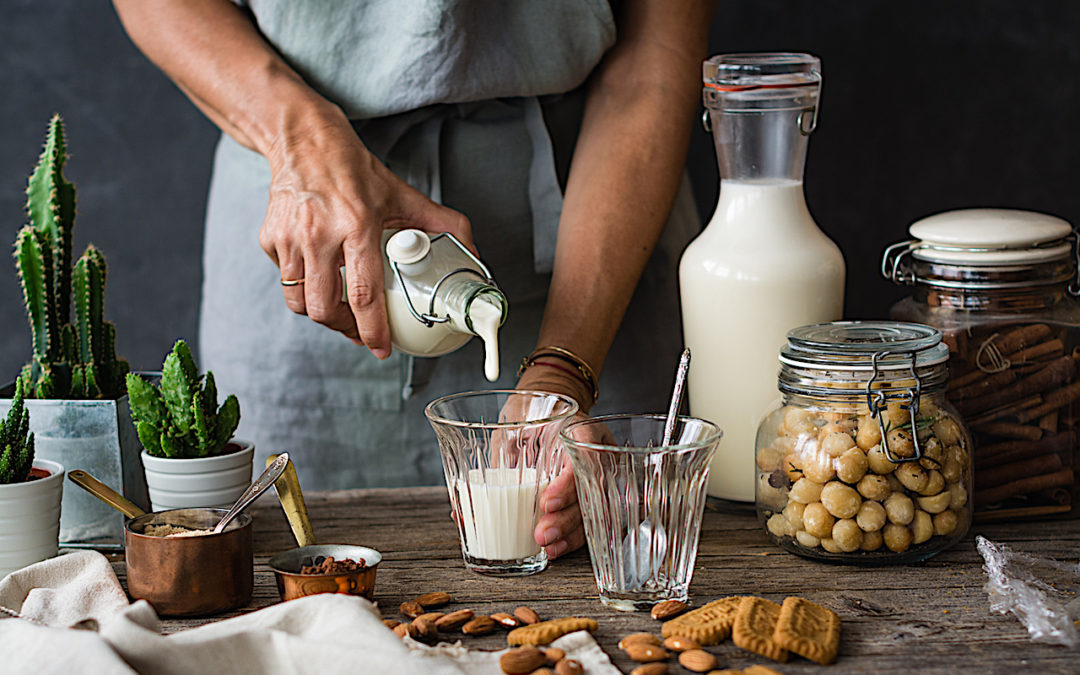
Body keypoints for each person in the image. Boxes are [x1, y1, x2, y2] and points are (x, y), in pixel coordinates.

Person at [112, 0, 714, 559]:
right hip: (307, 219)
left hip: (597, 228)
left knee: (619, 541)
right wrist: (298, 136)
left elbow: (652, 59)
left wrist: (565, 367)